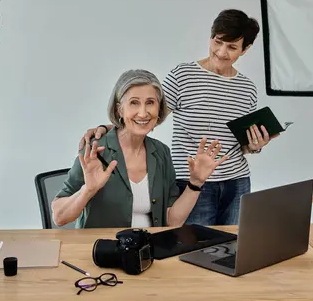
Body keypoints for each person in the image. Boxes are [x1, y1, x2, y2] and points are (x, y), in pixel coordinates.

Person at [79, 9, 275, 226]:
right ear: (211, 37)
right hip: (192, 181)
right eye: (218, 42)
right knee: (192, 249)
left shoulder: (247, 88)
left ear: (245, 49)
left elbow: (242, 145)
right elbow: (147, 116)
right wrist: (108, 128)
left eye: (232, 47)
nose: (221, 52)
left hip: (237, 182)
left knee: (233, 248)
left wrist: (256, 145)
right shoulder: (183, 76)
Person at [52, 69, 229, 228]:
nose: (143, 113)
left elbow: (172, 221)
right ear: (120, 109)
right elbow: (59, 217)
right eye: (134, 103)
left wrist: (196, 182)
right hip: (101, 252)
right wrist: (87, 191)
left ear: (159, 109)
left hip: (147, 253)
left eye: (150, 102)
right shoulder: (96, 150)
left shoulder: (161, 153)